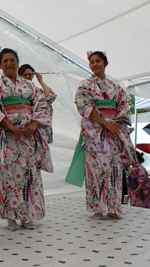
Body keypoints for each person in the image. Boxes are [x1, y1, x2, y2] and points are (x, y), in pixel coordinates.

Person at [0, 48, 55, 230]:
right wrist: (10, 126)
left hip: (28, 138)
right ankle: (11, 217)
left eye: (13, 60)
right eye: (5, 61)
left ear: (18, 62)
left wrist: (33, 124)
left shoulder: (30, 86)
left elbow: (42, 103)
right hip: (7, 137)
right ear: (0, 65)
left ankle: (28, 216)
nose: (9, 64)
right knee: (7, 175)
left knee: (29, 175)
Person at [72, 51, 136, 219]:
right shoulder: (85, 85)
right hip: (95, 132)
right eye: (92, 61)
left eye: (98, 61)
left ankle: (113, 207)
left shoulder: (116, 87)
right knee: (95, 170)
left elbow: (123, 106)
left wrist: (115, 125)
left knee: (114, 170)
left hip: (113, 132)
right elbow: (83, 106)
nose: (95, 64)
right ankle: (97, 208)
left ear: (105, 63)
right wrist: (106, 123)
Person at [18, 64, 55, 143]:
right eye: (25, 74)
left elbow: (50, 97)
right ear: (19, 75)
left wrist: (40, 81)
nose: (28, 76)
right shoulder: (15, 91)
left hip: (35, 126)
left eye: (30, 74)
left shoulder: (37, 91)